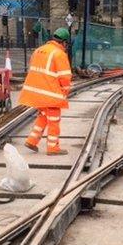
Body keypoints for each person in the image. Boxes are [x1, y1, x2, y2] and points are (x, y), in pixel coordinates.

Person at [18, 27, 73, 156]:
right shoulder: (59, 54)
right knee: (54, 120)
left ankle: (32, 140)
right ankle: (53, 148)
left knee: (43, 116)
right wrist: (64, 94)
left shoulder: (39, 50)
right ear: (64, 42)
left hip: (35, 93)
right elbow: (65, 77)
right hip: (50, 94)